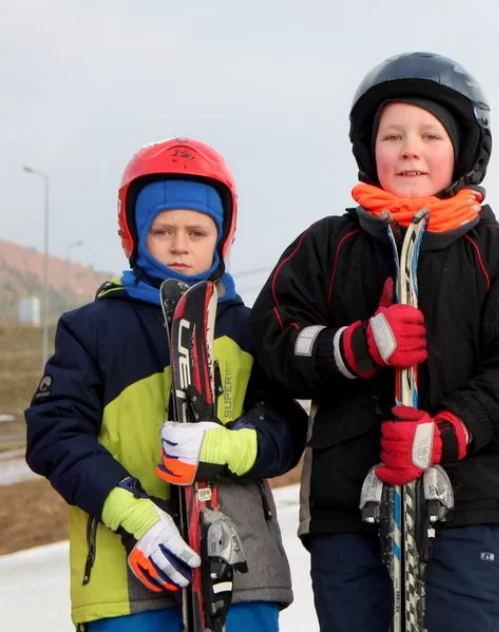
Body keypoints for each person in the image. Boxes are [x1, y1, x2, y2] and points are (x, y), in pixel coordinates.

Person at [248, 51, 499, 632]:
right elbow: (272, 340)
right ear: (369, 151)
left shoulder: (492, 253)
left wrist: (446, 433)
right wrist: (356, 346)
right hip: (346, 509)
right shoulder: (327, 246)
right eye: (391, 135)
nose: (409, 149)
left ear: (465, 152)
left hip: (468, 506)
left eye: (429, 134)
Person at [24, 137, 307, 632]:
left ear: (222, 237)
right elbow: (55, 435)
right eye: (163, 230)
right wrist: (134, 515)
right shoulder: (91, 329)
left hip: (243, 575)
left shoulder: (249, 328)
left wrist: (228, 444)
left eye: (198, 231)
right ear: (134, 235)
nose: (181, 245)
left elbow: (285, 428)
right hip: (126, 583)